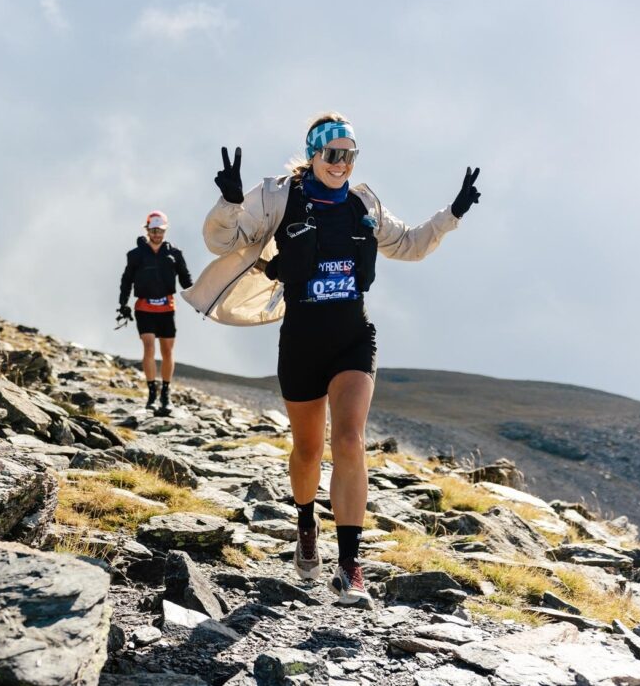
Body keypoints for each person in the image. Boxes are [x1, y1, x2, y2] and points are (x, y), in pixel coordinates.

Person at [182, 113, 481, 608]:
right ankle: (306, 523)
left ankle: (349, 567)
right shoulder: (279, 198)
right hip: (302, 339)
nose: (342, 164)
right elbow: (223, 241)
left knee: (348, 439)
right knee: (306, 451)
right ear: (314, 154)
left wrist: (453, 213)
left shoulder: (363, 204)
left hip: (352, 338)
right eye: (333, 154)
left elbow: (409, 244)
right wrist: (230, 202)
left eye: (350, 155)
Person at [118, 211, 194, 412]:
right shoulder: (135, 255)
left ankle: (165, 394)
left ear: (165, 231)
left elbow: (185, 279)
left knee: (167, 351)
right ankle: (152, 393)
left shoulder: (174, 253)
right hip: (144, 308)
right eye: (153, 230)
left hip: (167, 307)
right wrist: (123, 304)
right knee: (149, 347)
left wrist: (198, 299)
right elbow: (127, 280)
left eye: (160, 231)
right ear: (147, 230)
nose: (157, 234)